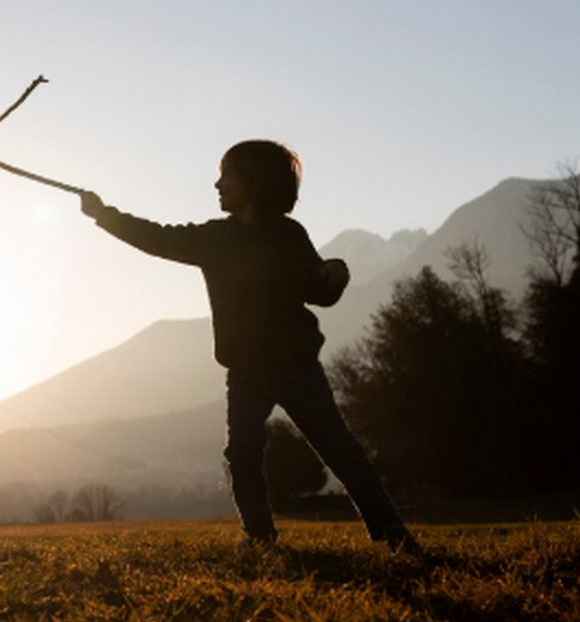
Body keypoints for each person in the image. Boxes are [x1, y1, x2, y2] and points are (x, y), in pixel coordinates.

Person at [79, 140, 419, 553]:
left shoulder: (288, 235)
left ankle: (392, 533)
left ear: (254, 182)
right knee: (242, 455)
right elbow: (154, 237)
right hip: (244, 372)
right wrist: (103, 215)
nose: (217, 184)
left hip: (297, 368)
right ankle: (259, 538)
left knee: (339, 449)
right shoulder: (213, 238)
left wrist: (337, 273)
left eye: (227, 175)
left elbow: (318, 292)